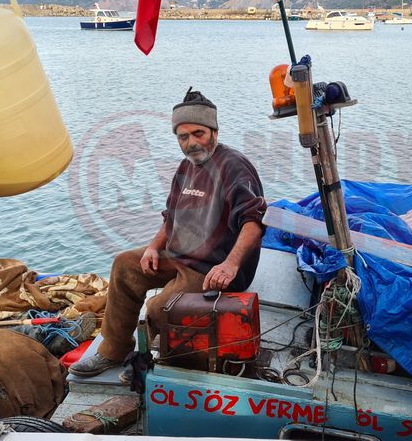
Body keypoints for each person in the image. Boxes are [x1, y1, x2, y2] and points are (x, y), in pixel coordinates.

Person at [70, 88, 266, 377]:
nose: (191, 143)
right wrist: (152, 247)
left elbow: (255, 221)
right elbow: (171, 216)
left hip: (211, 267)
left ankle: (145, 359)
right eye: (183, 137)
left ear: (214, 130)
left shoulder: (233, 166)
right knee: (125, 265)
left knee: (158, 308)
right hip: (179, 255)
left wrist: (231, 264)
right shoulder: (187, 168)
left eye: (198, 133)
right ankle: (114, 349)